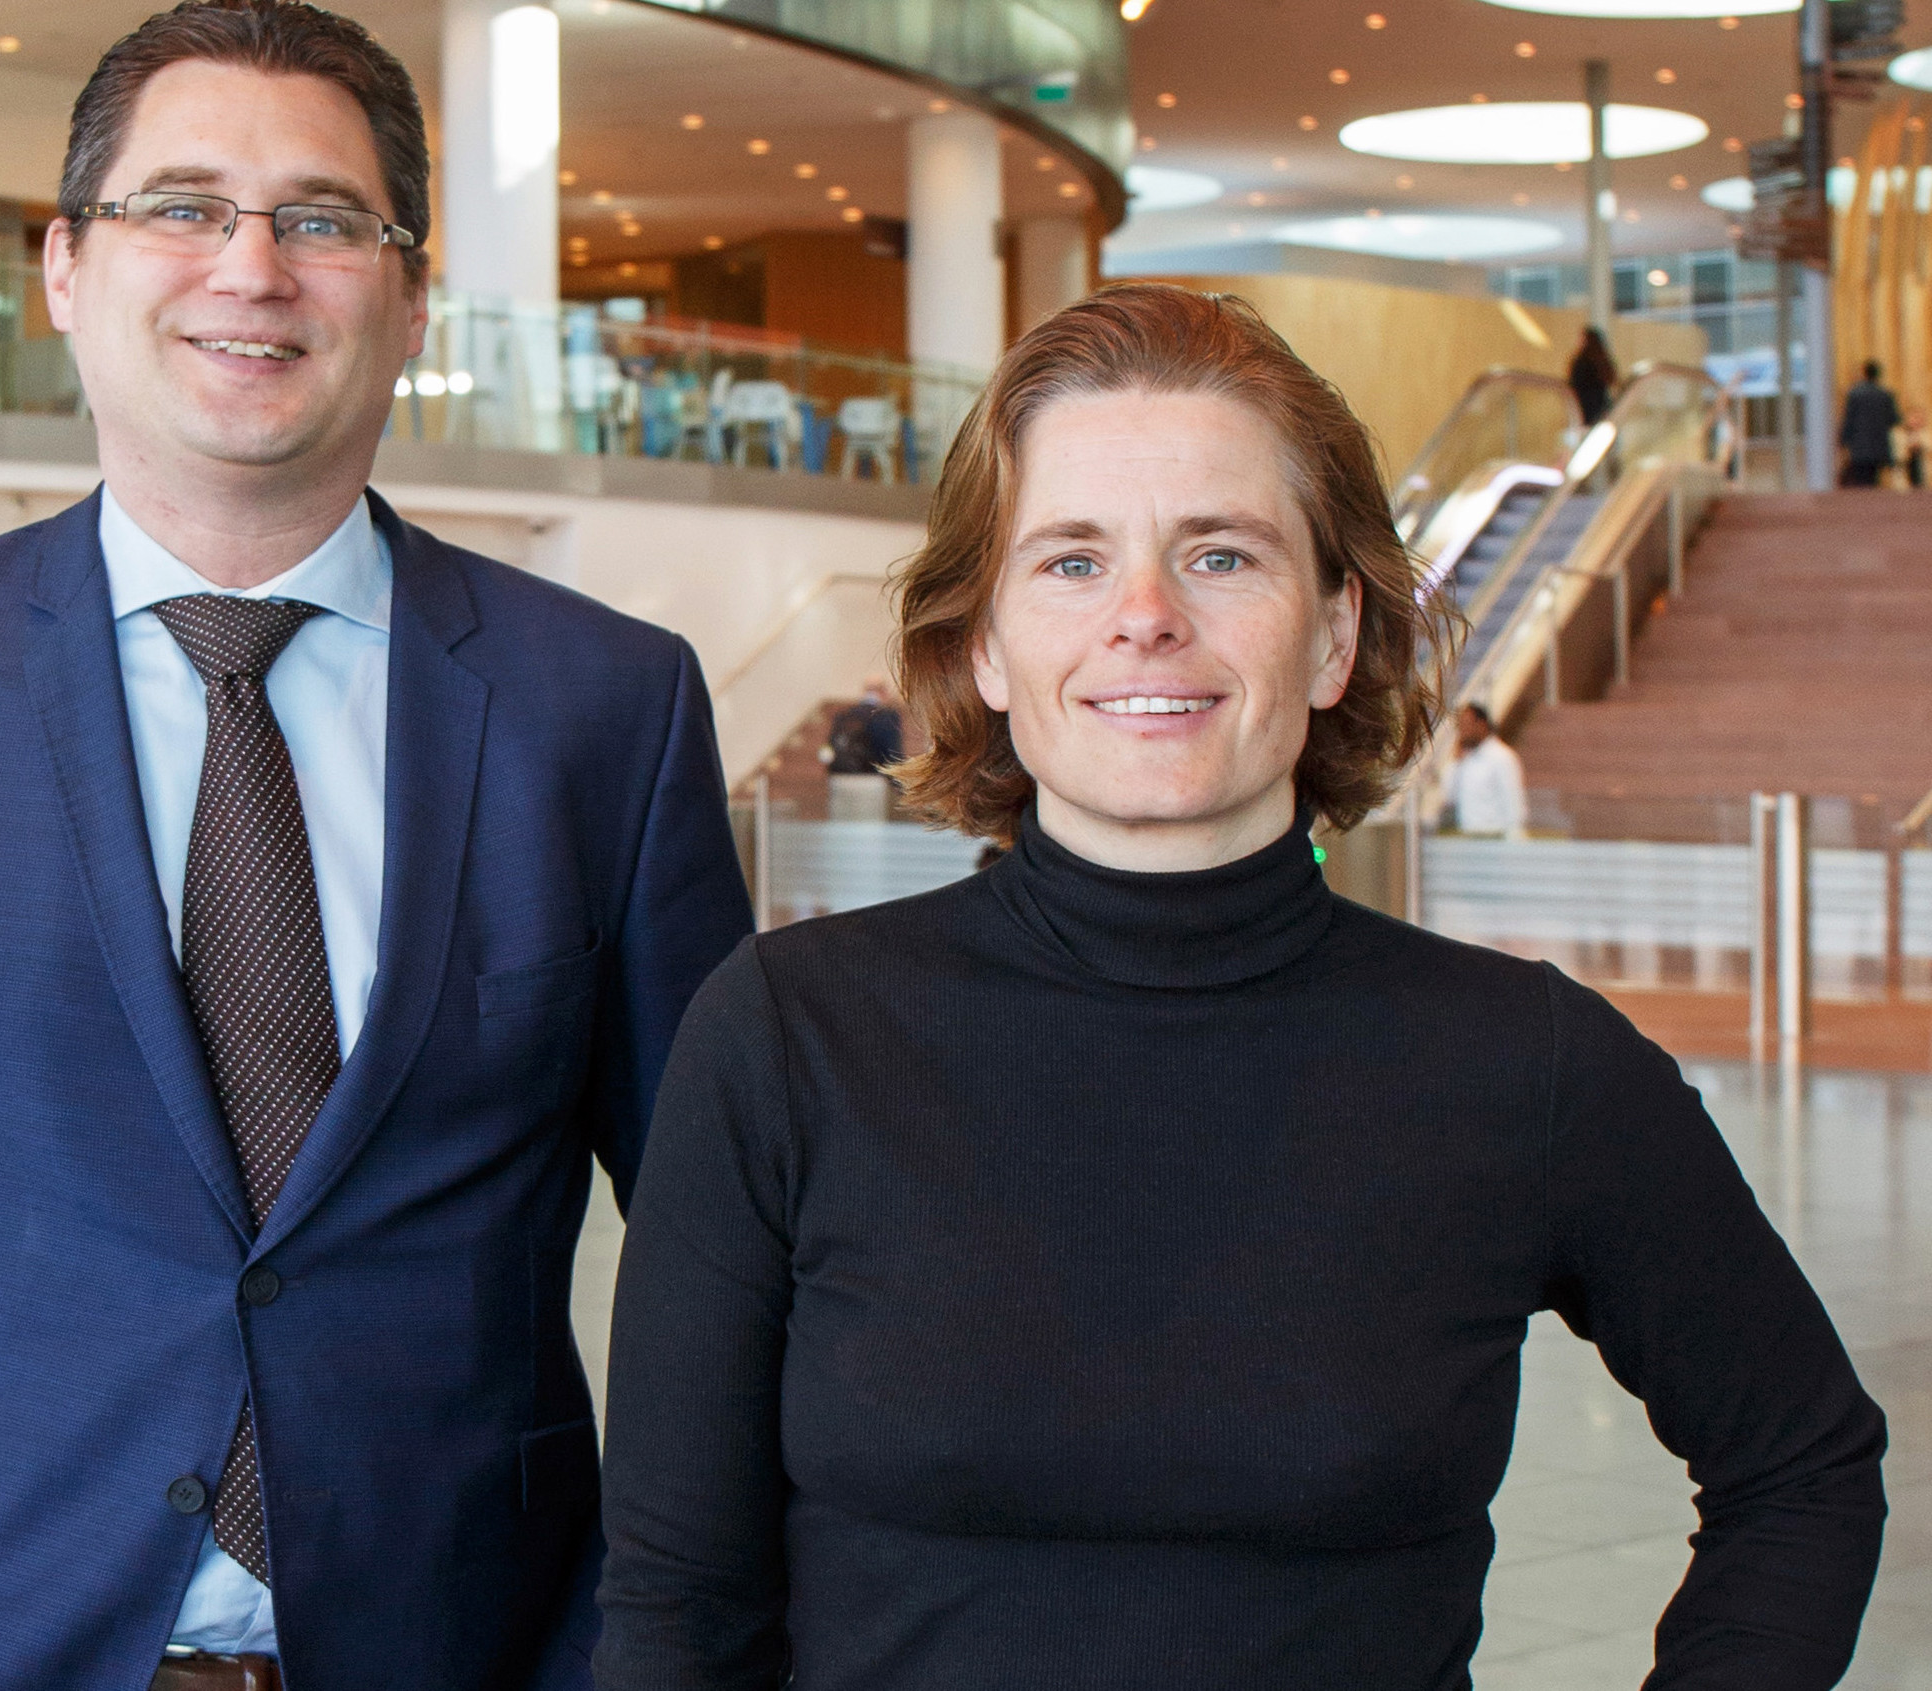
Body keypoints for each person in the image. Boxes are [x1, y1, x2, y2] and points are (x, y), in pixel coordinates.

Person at [0, 5, 751, 1689]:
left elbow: (729, 1260)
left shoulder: (605, 712)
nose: (252, 267)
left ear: (410, 294)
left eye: (323, 219)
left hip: (473, 1647)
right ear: (63, 268)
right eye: (181, 205)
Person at [595, 283, 1885, 1691]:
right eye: (1071, 562)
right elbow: (677, 1603)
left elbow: (1802, 1467)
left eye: (1219, 555)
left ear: (1332, 635)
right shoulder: (791, 1033)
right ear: (983, 646)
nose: (1144, 617)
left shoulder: (1521, 1062)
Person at [822, 674, 903, 821]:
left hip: (840, 781)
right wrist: (900, 785)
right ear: (883, 692)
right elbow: (892, 755)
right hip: (871, 783)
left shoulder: (845, 715)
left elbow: (829, 748)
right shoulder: (886, 716)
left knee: (843, 828)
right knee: (869, 832)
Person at [1443, 701, 1526, 837]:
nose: (1462, 731)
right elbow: (1449, 797)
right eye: (1460, 725)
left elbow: (1514, 805)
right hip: (1469, 838)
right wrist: (1456, 762)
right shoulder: (1464, 760)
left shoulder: (1502, 757)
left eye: (1467, 724)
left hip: (1494, 841)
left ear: (1481, 725)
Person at [1839, 360, 1902, 488]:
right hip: (1879, 443)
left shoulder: (1855, 394)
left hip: (1859, 445)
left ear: (1864, 373)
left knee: (1861, 481)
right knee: (1874, 480)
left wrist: (1843, 440)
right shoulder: (1885, 395)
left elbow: (1849, 419)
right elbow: (1894, 419)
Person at [1567, 323, 1616, 426]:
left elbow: (1574, 384)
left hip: (1582, 406)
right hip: (1601, 407)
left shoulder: (1581, 362)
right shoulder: (1603, 360)